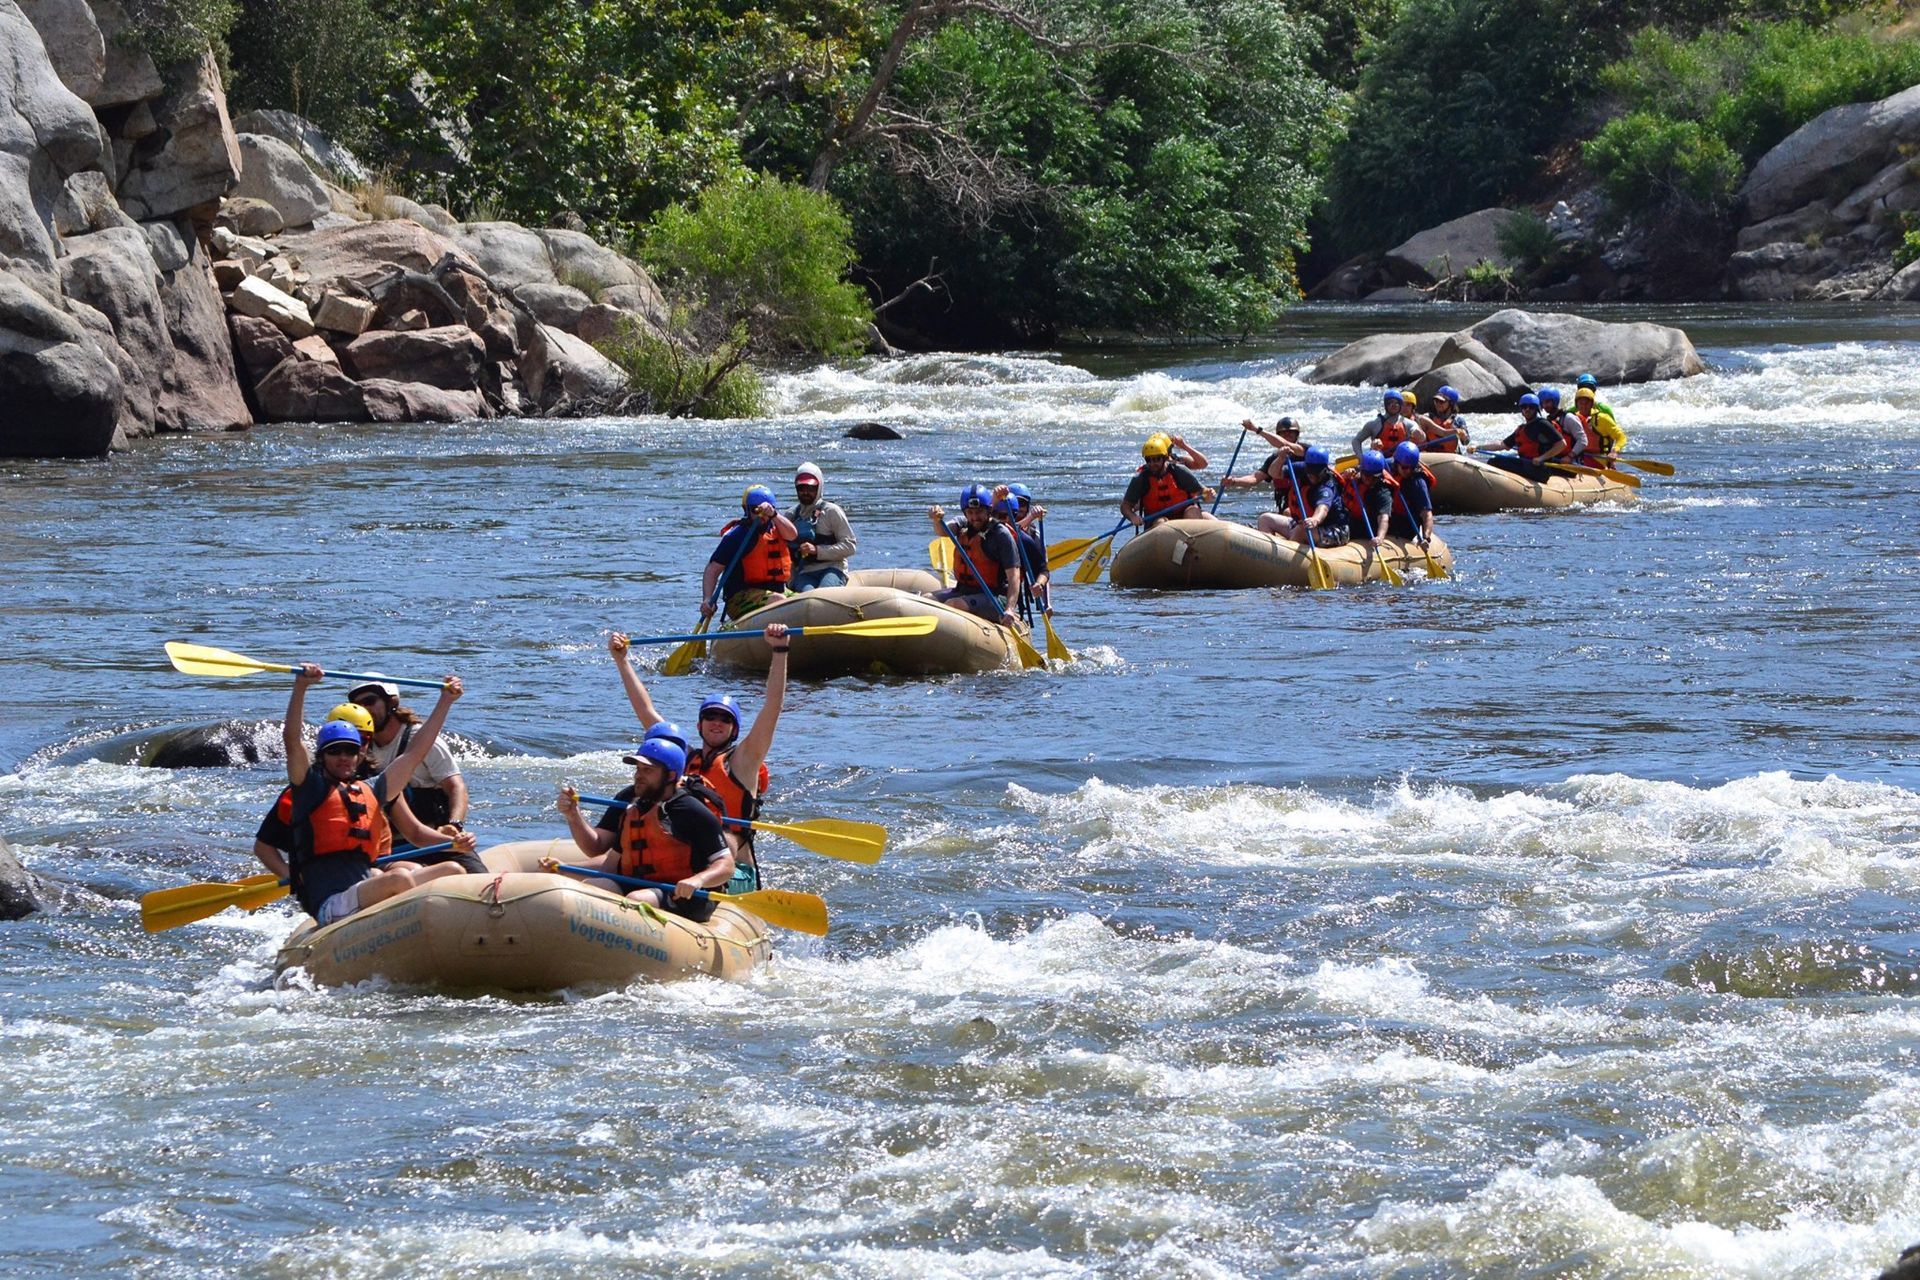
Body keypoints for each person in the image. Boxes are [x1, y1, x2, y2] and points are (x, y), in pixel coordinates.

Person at [280, 665, 468, 925]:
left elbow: (414, 754)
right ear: (322, 756)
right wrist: (301, 687)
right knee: (400, 879)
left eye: (350, 751)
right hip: (330, 901)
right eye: (335, 752)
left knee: (452, 869)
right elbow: (292, 742)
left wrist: (445, 702)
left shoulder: (371, 789)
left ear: (361, 754)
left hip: (365, 886)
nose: (344, 758)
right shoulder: (309, 787)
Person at [608, 623, 787, 892]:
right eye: (710, 717)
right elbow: (646, 712)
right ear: (699, 725)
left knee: (725, 840)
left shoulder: (744, 759)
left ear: (734, 728)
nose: (717, 723)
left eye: (725, 719)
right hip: (688, 858)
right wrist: (622, 662)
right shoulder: (681, 757)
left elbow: (773, 707)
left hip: (733, 869)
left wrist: (780, 651)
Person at [252, 702, 479, 880]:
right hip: (335, 874)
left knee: (441, 870)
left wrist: (453, 842)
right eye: (337, 746)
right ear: (324, 748)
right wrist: (293, 877)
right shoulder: (307, 789)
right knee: (390, 876)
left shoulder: (376, 784)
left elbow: (416, 832)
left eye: (359, 742)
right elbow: (264, 846)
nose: (350, 751)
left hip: (378, 863)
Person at [549, 737, 735, 922]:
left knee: (637, 900)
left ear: (670, 776)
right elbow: (610, 865)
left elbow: (726, 865)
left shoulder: (692, 811)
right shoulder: (634, 809)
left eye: (648, 770)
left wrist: (698, 881)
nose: (638, 775)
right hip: (638, 886)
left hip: (684, 896)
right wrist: (566, 869)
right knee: (594, 886)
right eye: (638, 769)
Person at [347, 675, 468, 831]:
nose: (365, 710)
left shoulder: (422, 739)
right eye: (357, 705)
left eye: (370, 701)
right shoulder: (359, 747)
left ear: (391, 702)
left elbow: (456, 787)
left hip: (432, 835)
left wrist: (455, 825)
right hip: (390, 840)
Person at [928, 485, 1025, 620]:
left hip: (994, 597)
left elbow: (1014, 577)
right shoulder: (962, 524)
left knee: (953, 604)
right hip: (963, 590)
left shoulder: (1001, 534)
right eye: (970, 513)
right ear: (965, 513)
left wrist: (1009, 609)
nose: (975, 517)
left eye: (979, 512)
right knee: (927, 600)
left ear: (988, 511)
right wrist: (937, 520)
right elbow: (942, 531)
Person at [702, 486, 798, 621]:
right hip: (740, 597)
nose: (762, 515)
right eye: (756, 510)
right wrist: (707, 598)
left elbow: (793, 535)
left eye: (767, 511)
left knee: (804, 599)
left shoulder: (777, 527)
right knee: (778, 600)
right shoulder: (737, 536)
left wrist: (774, 515)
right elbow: (713, 569)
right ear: (747, 510)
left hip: (776, 590)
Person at [1259, 446, 1350, 546]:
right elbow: (1274, 473)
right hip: (1305, 524)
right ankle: (1268, 553)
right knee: (1265, 519)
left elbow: (1323, 508)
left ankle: (1287, 556)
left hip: (1334, 529)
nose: (1312, 475)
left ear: (1324, 469)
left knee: (1300, 531)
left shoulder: (1327, 487)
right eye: (1310, 471)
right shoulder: (1303, 469)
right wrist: (1280, 459)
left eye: (1316, 472)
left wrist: (1315, 520)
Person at [786, 462, 857, 591]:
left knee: (823, 593)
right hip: (805, 572)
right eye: (802, 488)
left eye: (811, 488)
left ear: (819, 487)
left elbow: (850, 546)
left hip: (833, 568)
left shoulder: (832, 512)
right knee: (808, 596)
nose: (806, 492)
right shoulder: (790, 516)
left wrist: (817, 551)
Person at [1121, 434, 1214, 527]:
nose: (1152, 463)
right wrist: (1132, 516)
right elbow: (1125, 506)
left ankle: (1195, 538)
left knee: (1193, 512)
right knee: (1161, 523)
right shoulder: (1141, 479)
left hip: (1183, 516)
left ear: (1165, 457)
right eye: (1148, 460)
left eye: (1157, 459)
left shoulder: (1179, 470)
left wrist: (1208, 494)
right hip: (1157, 520)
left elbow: (1202, 491)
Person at [1477, 392, 1567, 481]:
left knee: (1496, 462)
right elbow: (1502, 445)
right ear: (1521, 410)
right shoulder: (1521, 429)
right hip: (1527, 464)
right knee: (1494, 461)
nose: (1527, 409)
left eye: (1531, 407)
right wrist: (1478, 447)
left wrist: (1541, 458)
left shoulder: (1543, 424)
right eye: (1524, 407)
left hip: (1540, 469)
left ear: (1536, 409)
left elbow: (1562, 444)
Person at [1223, 417, 1306, 494]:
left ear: (1297, 435)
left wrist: (1256, 429)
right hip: (1285, 501)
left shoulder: (1305, 451)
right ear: (1278, 435)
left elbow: (1285, 443)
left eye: (1291, 432)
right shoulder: (1274, 458)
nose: (1287, 435)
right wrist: (1233, 481)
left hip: (1305, 499)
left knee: (1287, 511)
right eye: (1283, 433)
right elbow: (1254, 478)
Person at [1337, 449, 1395, 551]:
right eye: (1366, 475)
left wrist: (1380, 537)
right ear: (1362, 471)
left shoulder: (1382, 492)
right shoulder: (1354, 477)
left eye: (1374, 477)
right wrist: (1344, 476)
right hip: (1346, 518)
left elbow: (1383, 518)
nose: (1369, 479)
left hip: (1366, 526)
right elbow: (1332, 485)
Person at [1386, 441, 1438, 544]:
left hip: (1406, 524)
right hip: (1385, 516)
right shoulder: (1387, 466)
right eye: (1405, 467)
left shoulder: (1418, 482)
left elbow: (1426, 514)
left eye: (1412, 467)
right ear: (1397, 463)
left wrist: (1426, 537)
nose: (1408, 471)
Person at [1352, 390, 1425, 456]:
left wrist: (1419, 434)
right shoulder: (1374, 424)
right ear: (1386, 405)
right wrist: (1361, 458)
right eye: (1390, 402)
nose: (1394, 405)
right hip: (1379, 460)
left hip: (1401, 461)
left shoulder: (1408, 423)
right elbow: (1356, 441)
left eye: (1397, 403)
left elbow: (1422, 438)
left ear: (1400, 405)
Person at [1573, 384, 1626, 465]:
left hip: (1601, 461)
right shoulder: (1573, 418)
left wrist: (1614, 451)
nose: (1583, 406)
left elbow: (1621, 437)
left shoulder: (1602, 419)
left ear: (1592, 404)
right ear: (1577, 404)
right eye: (1581, 403)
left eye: (1586, 403)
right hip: (1580, 459)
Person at [1415, 386, 1470, 453]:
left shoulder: (1458, 420)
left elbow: (1466, 442)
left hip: (1450, 456)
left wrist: (1464, 436)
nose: (1438, 404)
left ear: (1451, 403)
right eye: (1436, 401)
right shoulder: (1428, 417)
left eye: (1441, 402)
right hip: (1430, 455)